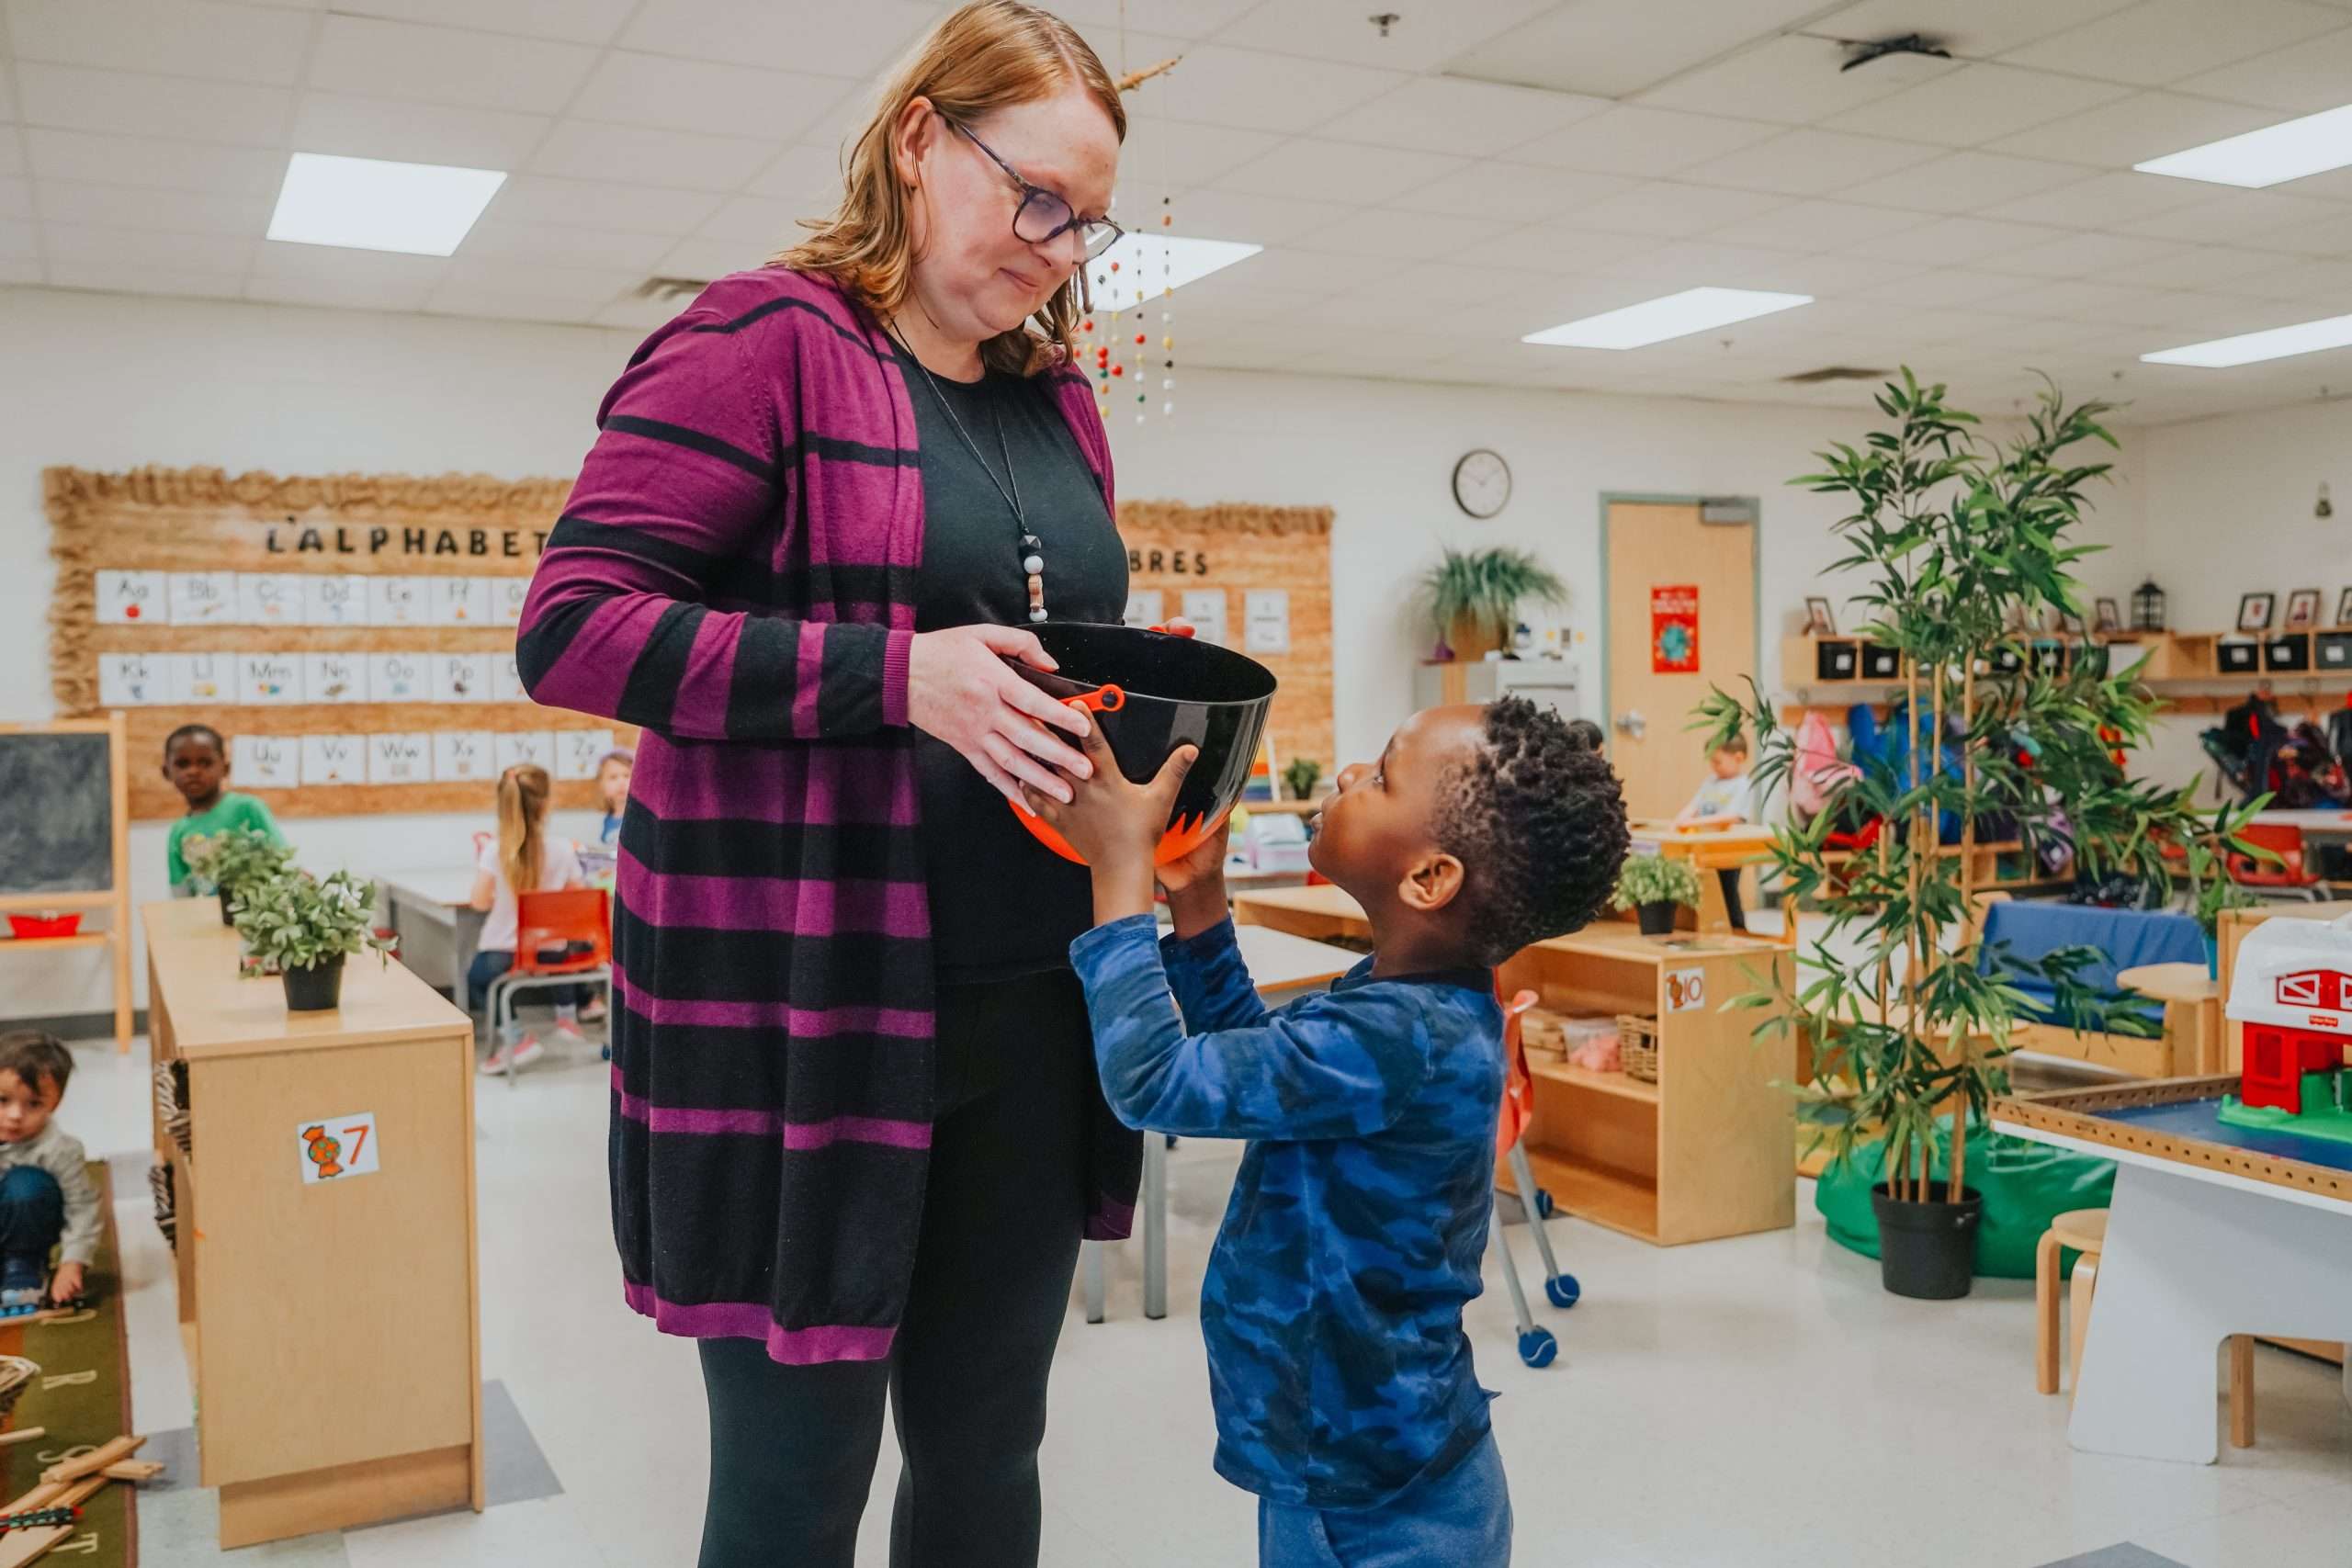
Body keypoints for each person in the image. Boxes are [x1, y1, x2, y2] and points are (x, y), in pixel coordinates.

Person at [513, 6, 1152, 1562]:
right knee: (798, 1481)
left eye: (1089, 219)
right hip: (812, 1014)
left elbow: (1042, 639)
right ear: (921, 138)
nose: (1058, 245)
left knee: (992, 1449)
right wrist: (894, 672)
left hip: (1025, 1003)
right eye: (1035, 195)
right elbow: (575, 629)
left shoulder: (1054, 397)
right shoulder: (761, 344)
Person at [1024, 697, 1629, 1568]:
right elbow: (1263, 1067)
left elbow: (1153, 1080)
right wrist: (1199, 906)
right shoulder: (1406, 1007)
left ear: (1429, 878)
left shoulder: (1397, 1036)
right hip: (1376, 1465)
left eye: (1380, 777)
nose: (1348, 775)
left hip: (1367, 1501)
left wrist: (1119, 875)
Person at [469, 764, 589, 1076]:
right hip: (551, 950)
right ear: (546, 804)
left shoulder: (495, 851)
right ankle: (567, 1017)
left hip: (504, 954)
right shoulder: (564, 849)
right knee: (568, 952)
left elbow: (479, 902)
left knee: (477, 979)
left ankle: (517, 1038)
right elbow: (578, 900)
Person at [0, 1032, 101, 1312]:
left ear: (54, 1104)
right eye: (3, 1100)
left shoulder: (60, 1149)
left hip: (27, 1228)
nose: (15, 1115)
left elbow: (81, 1208)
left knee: (26, 1185)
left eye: (33, 1104)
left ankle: (23, 1265)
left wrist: (72, 1264)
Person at [162, 724, 286, 895]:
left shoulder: (248, 809)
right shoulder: (178, 831)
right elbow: (181, 893)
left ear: (225, 768)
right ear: (166, 772)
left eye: (205, 763)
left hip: (256, 917)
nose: (193, 771)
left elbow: (283, 861)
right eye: (183, 764)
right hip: (207, 919)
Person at [1673, 736, 1757, 930]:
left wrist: (1693, 821)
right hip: (1706, 845)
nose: (1714, 766)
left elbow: (1733, 816)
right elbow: (1694, 805)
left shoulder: (1743, 784)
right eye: (1711, 761)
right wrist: (1677, 823)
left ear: (1738, 757)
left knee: (1728, 889)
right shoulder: (1711, 781)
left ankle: (1738, 929)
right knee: (1707, 888)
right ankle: (1709, 927)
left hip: (1729, 847)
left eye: (1718, 761)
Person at [595, 747, 633, 848]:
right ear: (601, 784)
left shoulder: (643, 821)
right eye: (613, 777)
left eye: (627, 775)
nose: (621, 782)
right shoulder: (598, 822)